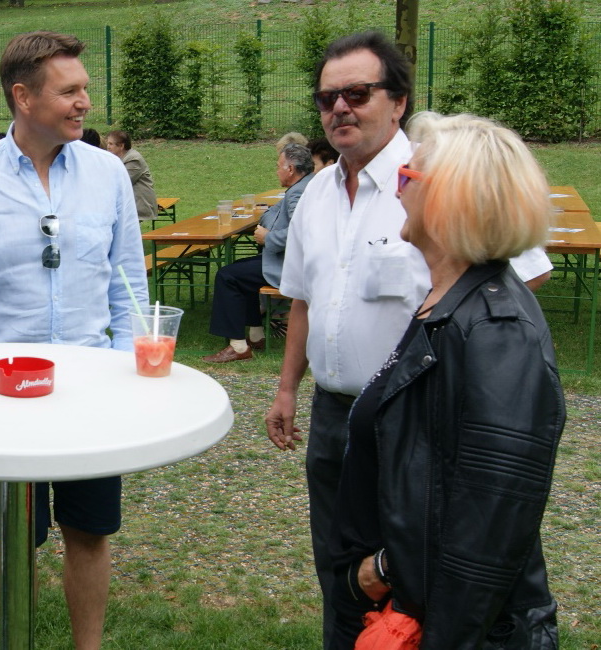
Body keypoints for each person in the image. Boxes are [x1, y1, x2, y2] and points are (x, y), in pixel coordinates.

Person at [264, 31, 554, 646]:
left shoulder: (446, 173)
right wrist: (288, 388)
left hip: (424, 431)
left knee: (417, 583)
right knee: (344, 579)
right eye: (326, 97)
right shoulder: (315, 193)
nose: (339, 108)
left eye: (356, 93)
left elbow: (517, 273)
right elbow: (304, 298)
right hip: (340, 416)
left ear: (397, 102)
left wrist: (462, 349)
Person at [0, 31, 147, 650]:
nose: (85, 103)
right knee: (14, 533)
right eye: (69, 91)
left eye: (85, 89)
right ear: (23, 97)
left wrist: (130, 376)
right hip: (4, 395)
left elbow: (128, 283)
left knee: (90, 532)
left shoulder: (107, 174)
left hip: (92, 389)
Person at [330, 112, 562, 648]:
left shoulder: (497, 331)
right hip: (413, 603)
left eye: (407, 176)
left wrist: (387, 570)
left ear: (447, 200)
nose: (396, 189)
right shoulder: (447, 303)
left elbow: (488, 529)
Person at [202, 142, 313, 363]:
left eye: (279, 166)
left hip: (291, 266)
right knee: (239, 271)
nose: (277, 171)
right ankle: (256, 335)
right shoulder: (307, 184)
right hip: (289, 260)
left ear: (291, 169)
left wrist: (268, 237)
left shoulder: (298, 192)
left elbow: (302, 232)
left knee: (227, 276)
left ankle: (238, 347)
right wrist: (270, 219)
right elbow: (274, 216)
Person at [105, 130, 157, 221]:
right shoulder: (118, 158)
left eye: (111, 144)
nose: (108, 147)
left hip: (139, 204)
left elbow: (121, 183)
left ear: (121, 146)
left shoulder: (133, 159)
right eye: (108, 143)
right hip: (127, 203)